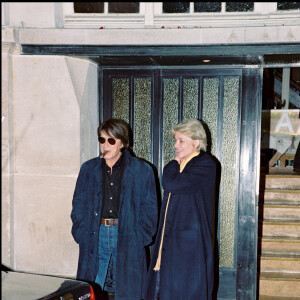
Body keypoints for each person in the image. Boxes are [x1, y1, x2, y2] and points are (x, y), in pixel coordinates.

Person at [71, 118, 158, 300]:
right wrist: (81, 233)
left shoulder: (142, 170)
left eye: (111, 140)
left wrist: (140, 237)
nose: (105, 145)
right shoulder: (88, 169)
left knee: (128, 290)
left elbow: (150, 210)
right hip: (96, 233)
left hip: (127, 234)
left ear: (122, 143)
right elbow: (78, 205)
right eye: (102, 140)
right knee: (91, 288)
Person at [146, 119, 216, 300]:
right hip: (172, 241)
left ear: (197, 142)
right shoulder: (183, 164)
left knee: (186, 292)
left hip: (190, 246)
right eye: (175, 140)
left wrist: (172, 163)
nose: (176, 145)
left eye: (181, 140)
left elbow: (170, 184)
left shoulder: (205, 163)